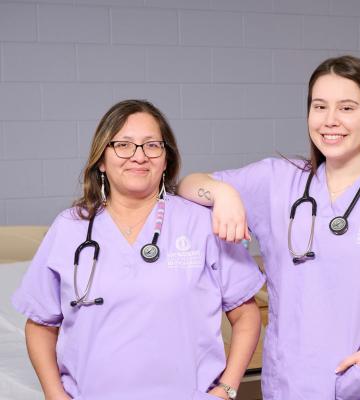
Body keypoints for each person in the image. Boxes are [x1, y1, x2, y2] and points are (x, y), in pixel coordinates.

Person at [177, 55, 360, 399]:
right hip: (291, 383)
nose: (330, 121)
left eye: (346, 108)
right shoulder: (277, 181)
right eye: (319, 106)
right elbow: (188, 184)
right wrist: (222, 193)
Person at [12, 100, 265, 400]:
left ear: (166, 159)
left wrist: (227, 388)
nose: (139, 156)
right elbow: (40, 324)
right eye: (123, 145)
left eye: (152, 145)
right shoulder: (70, 228)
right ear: (102, 160)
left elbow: (247, 315)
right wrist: (55, 394)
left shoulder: (199, 223)